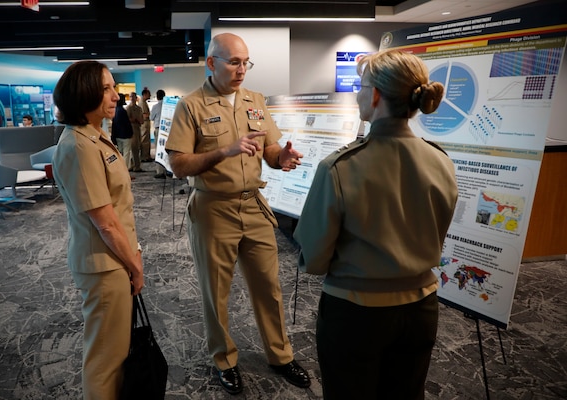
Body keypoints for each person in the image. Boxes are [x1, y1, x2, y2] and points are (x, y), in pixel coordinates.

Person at [293, 49, 459, 400]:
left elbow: (315, 256)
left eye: (361, 85)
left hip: (355, 314)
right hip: (421, 310)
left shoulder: (339, 167)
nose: (356, 94)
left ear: (377, 95)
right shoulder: (441, 162)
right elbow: (438, 233)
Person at [165, 32, 310, 395]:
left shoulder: (255, 101)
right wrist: (224, 152)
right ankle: (224, 360)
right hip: (213, 208)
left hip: (254, 207)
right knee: (217, 292)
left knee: (269, 287)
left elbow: (270, 148)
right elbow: (179, 164)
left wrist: (282, 158)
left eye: (246, 62)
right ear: (212, 63)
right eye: (234, 62)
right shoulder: (192, 106)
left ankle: (280, 354)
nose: (242, 69)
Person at [51, 61, 144, 400]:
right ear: (84, 93)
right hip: (104, 265)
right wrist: (135, 266)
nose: (115, 95)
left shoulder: (95, 137)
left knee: (116, 354)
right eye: (106, 88)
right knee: (106, 359)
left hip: (114, 259)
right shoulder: (78, 146)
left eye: (112, 86)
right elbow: (104, 221)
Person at [150, 89, 170, 179]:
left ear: (157, 97)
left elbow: (151, 117)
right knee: (168, 149)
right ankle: (169, 169)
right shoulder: (168, 106)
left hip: (159, 129)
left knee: (159, 150)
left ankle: (160, 171)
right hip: (168, 129)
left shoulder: (155, 106)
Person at [112, 93, 134, 164]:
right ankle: (125, 171)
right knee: (126, 153)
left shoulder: (115, 111)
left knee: (120, 153)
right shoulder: (123, 111)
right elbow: (127, 124)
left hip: (118, 135)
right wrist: (131, 133)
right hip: (125, 136)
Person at [126, 92, 144, 172]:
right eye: (130, 97)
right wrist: (135, 120)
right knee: (133, 148)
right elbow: (128, 119)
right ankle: (135, 166)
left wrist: (138, 120)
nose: (132, 98)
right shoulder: (128, 108)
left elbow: (141, 120)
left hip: (138, 129)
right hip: (132, 130)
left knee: (138, 147)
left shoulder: (139, 108)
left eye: (133, 96)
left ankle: (136, 165)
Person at [140, 87, 152, 162]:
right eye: (148, 94)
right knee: (144, 140)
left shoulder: (144, 102)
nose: (150, 95)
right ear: (145, 94)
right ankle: (145, 156)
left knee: (146, 140)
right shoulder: (142, 103)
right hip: (144, 124)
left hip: (145, 124)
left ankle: (146, 155)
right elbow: (144, 114)